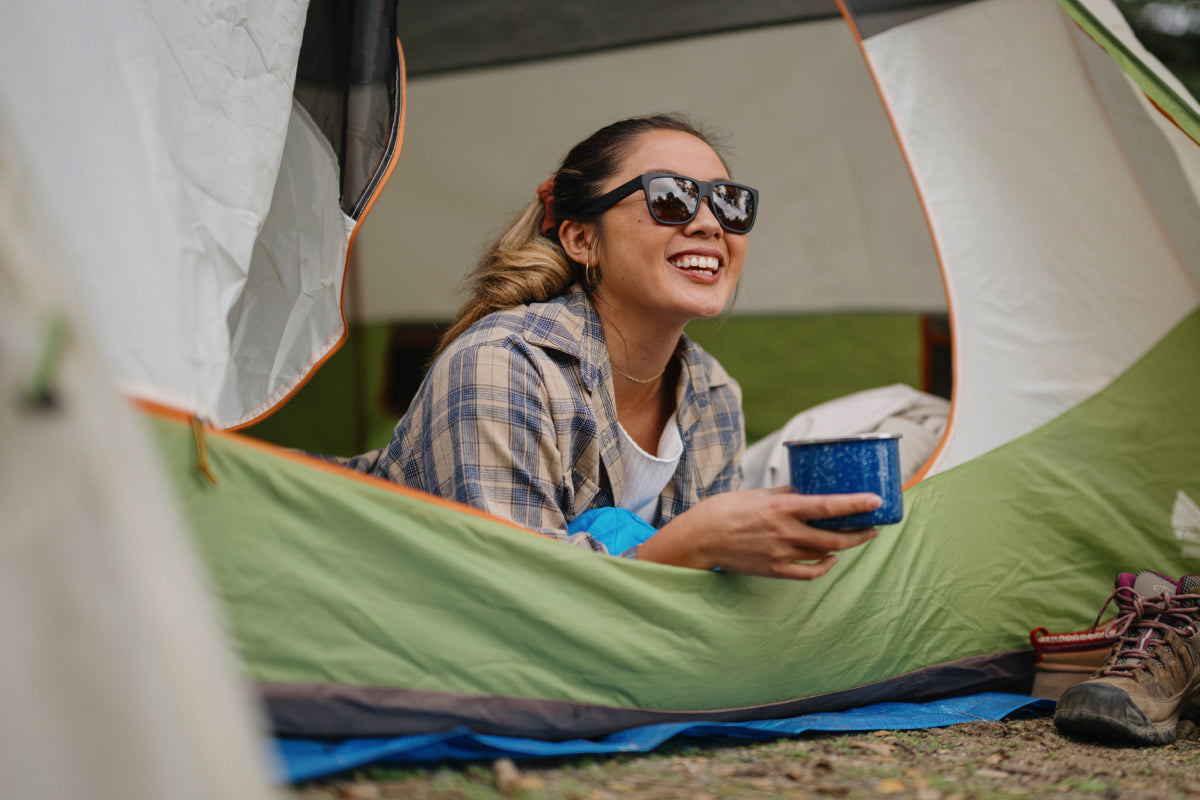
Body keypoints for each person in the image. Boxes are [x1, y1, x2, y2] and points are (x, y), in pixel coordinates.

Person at [355, 113, 880, 580]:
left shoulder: (714, 393)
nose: (708, 224)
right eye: (670, 198)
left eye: (728, 202)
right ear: (582, 239)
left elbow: (703, 607)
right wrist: (688, 545)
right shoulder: (503, 365)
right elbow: (509, 597)